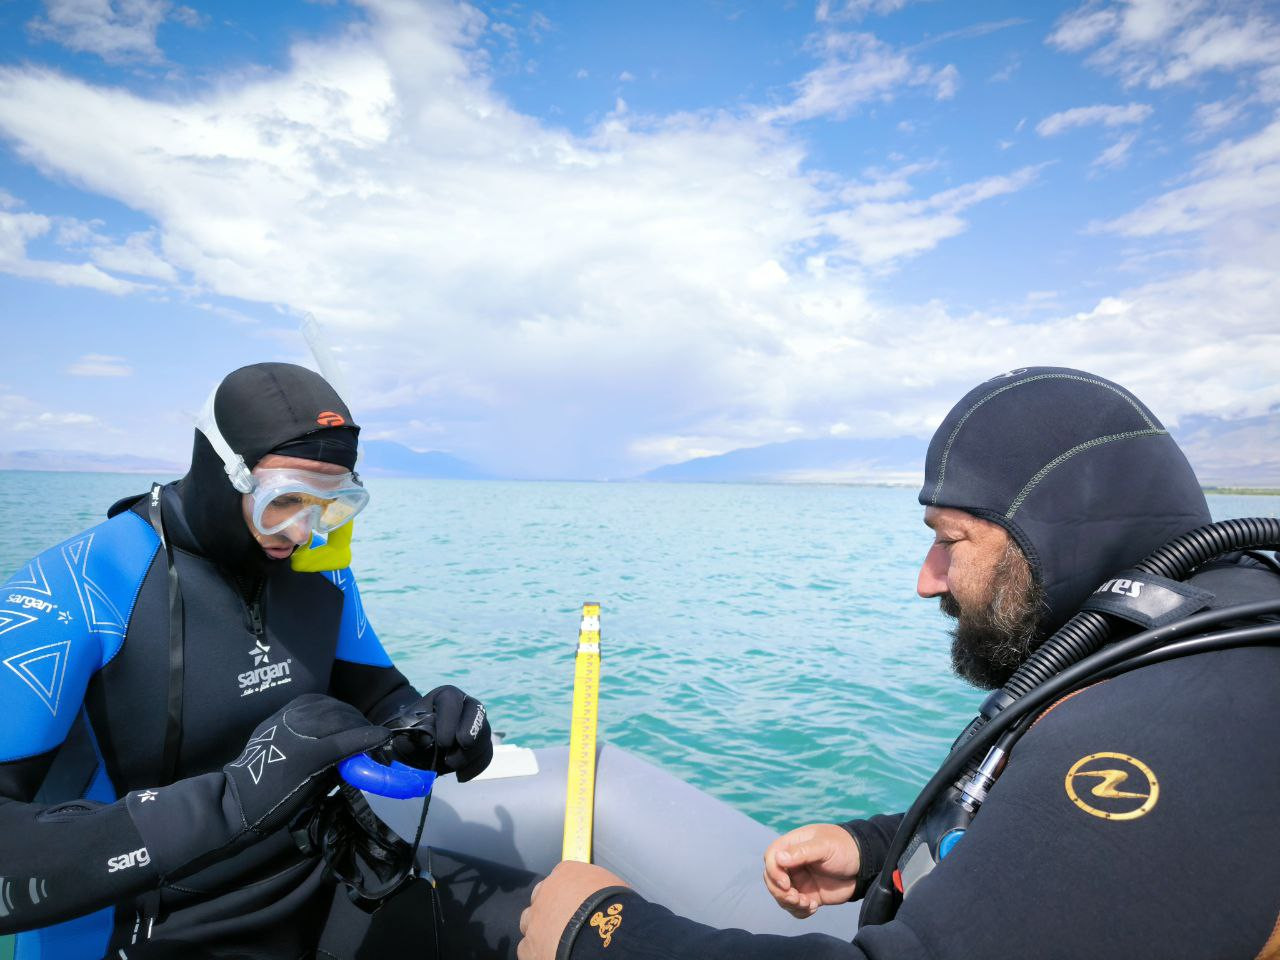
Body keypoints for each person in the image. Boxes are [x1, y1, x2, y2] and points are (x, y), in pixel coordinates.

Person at [517, 366, 1280, 960]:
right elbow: (1052, 851)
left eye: (950, 540)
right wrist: (879, 848)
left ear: (1058, 538)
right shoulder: (1178, 650)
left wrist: (602, 935)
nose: (926, 578)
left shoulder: (1172, 725)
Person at [0, 362, 494, 959]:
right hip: (145, 927)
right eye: (283, 499)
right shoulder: (77, 587)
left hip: (314, 890)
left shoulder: (321, 569)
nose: (301, 529)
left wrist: (424, 723)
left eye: (330, 503)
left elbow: (377, 693)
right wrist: (235, 798)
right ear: (223, 472)